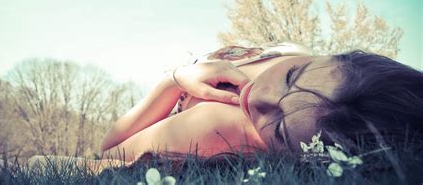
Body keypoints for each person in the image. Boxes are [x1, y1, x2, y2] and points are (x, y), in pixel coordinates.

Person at [99, 42, 423, 165]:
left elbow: (109, 150)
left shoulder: (216, 125)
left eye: (281, 128)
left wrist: (173, 81)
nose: (257, 98)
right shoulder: (303, 57)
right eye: (291, 76)